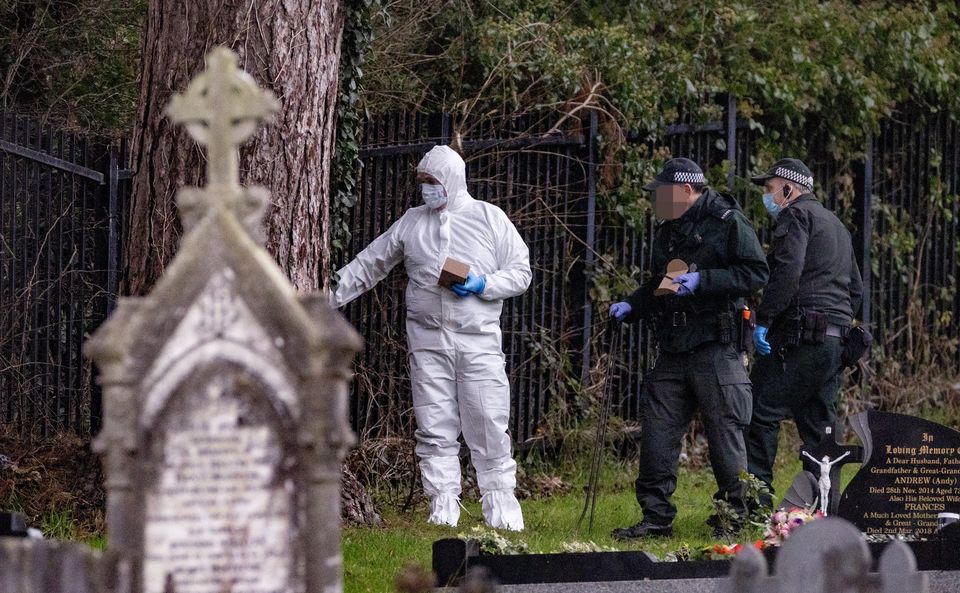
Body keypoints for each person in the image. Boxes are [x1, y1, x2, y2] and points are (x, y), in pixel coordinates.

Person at [333, 145, 531, 531]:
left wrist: (483, 284)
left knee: (488, 420)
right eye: (423, 182)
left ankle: (501, 504)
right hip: (427, 341)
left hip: (477, 342)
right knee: (434, 423)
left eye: (434, 182)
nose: (427, 189)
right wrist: (327, 293)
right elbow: (371, 263)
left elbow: (521, 271)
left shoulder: (489, 218)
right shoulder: (412, 222)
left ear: (453, 182)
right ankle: (443, 504)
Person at [608, 158, 769, 539]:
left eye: (662, 194)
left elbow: (756, 272)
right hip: (674, 347)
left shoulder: (727, 220)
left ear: (684, 191)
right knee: (658, 433)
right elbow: (661, 283)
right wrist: (633, 304)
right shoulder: (669, 231)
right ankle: (656, 517)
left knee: (724, 434)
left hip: (716, 345)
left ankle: (735, 517)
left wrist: (704, 280)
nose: (656, 201)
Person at [745, 158, 863, 506]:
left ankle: (754, 504)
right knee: (820, 428)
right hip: (835, 341)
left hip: (801, 336)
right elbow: (856, 289)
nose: (767, 196)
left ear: (788, 188)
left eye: (769, 189)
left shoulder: (795, 216)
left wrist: (765, 319)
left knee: (761, 409)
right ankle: (828, 507)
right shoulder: (835, 224)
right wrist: (836, 323)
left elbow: (789, 272)